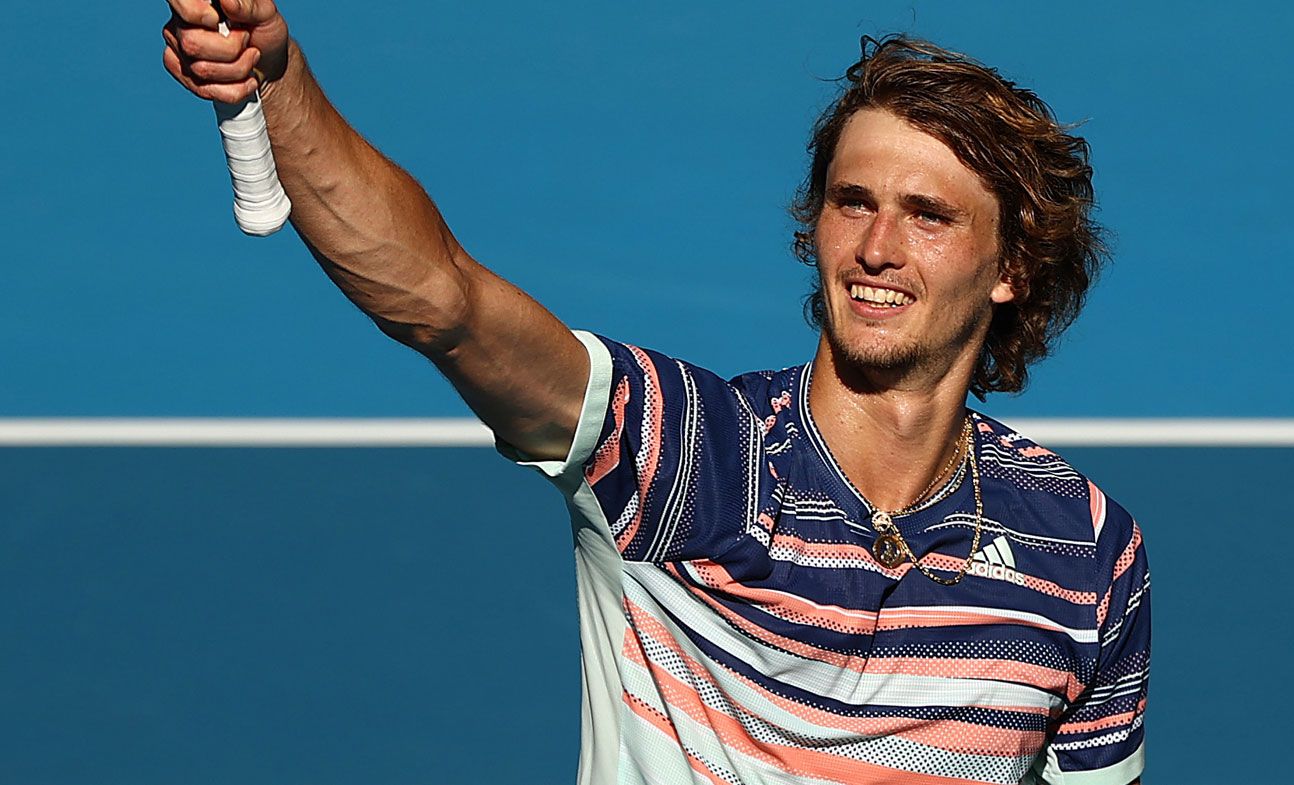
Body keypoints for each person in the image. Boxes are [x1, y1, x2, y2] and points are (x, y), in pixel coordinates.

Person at [163, 2, 1151, 783]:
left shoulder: (1082, 550)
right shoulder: (692, 460)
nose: (876, 248)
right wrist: (280, 82)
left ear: (1012, 266)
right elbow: (440, 295)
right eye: (853, 201)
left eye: (926, 215)